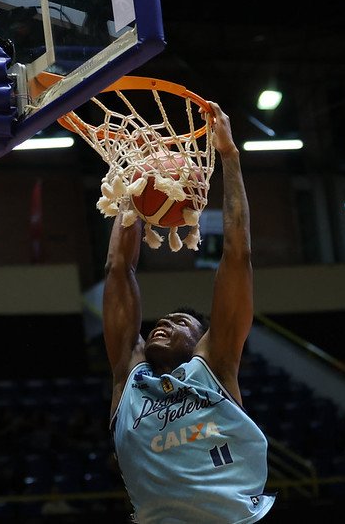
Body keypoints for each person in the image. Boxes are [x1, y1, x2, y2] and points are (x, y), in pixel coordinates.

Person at [103, 101, 276, 523]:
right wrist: (132, 187)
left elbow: (237, 255)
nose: (162, 323)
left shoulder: (214, 368)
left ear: (202, 343)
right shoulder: (130, 378)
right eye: (161, 322)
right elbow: (118, 269)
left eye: (180, 323)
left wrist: (230, 156)